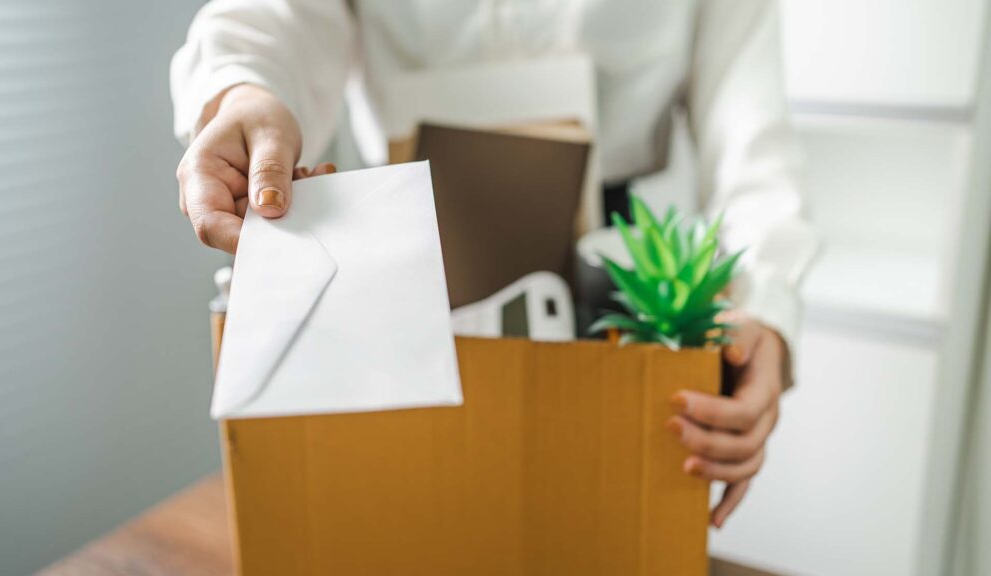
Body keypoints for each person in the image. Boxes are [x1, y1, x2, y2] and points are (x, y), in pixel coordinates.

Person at [171, 0, 817, 528]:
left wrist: (765, 305)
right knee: (398, 518)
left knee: (593, 522)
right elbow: (275, 16)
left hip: (610, 277)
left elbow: (751, 136)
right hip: (399, 242)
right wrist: (240, 92)